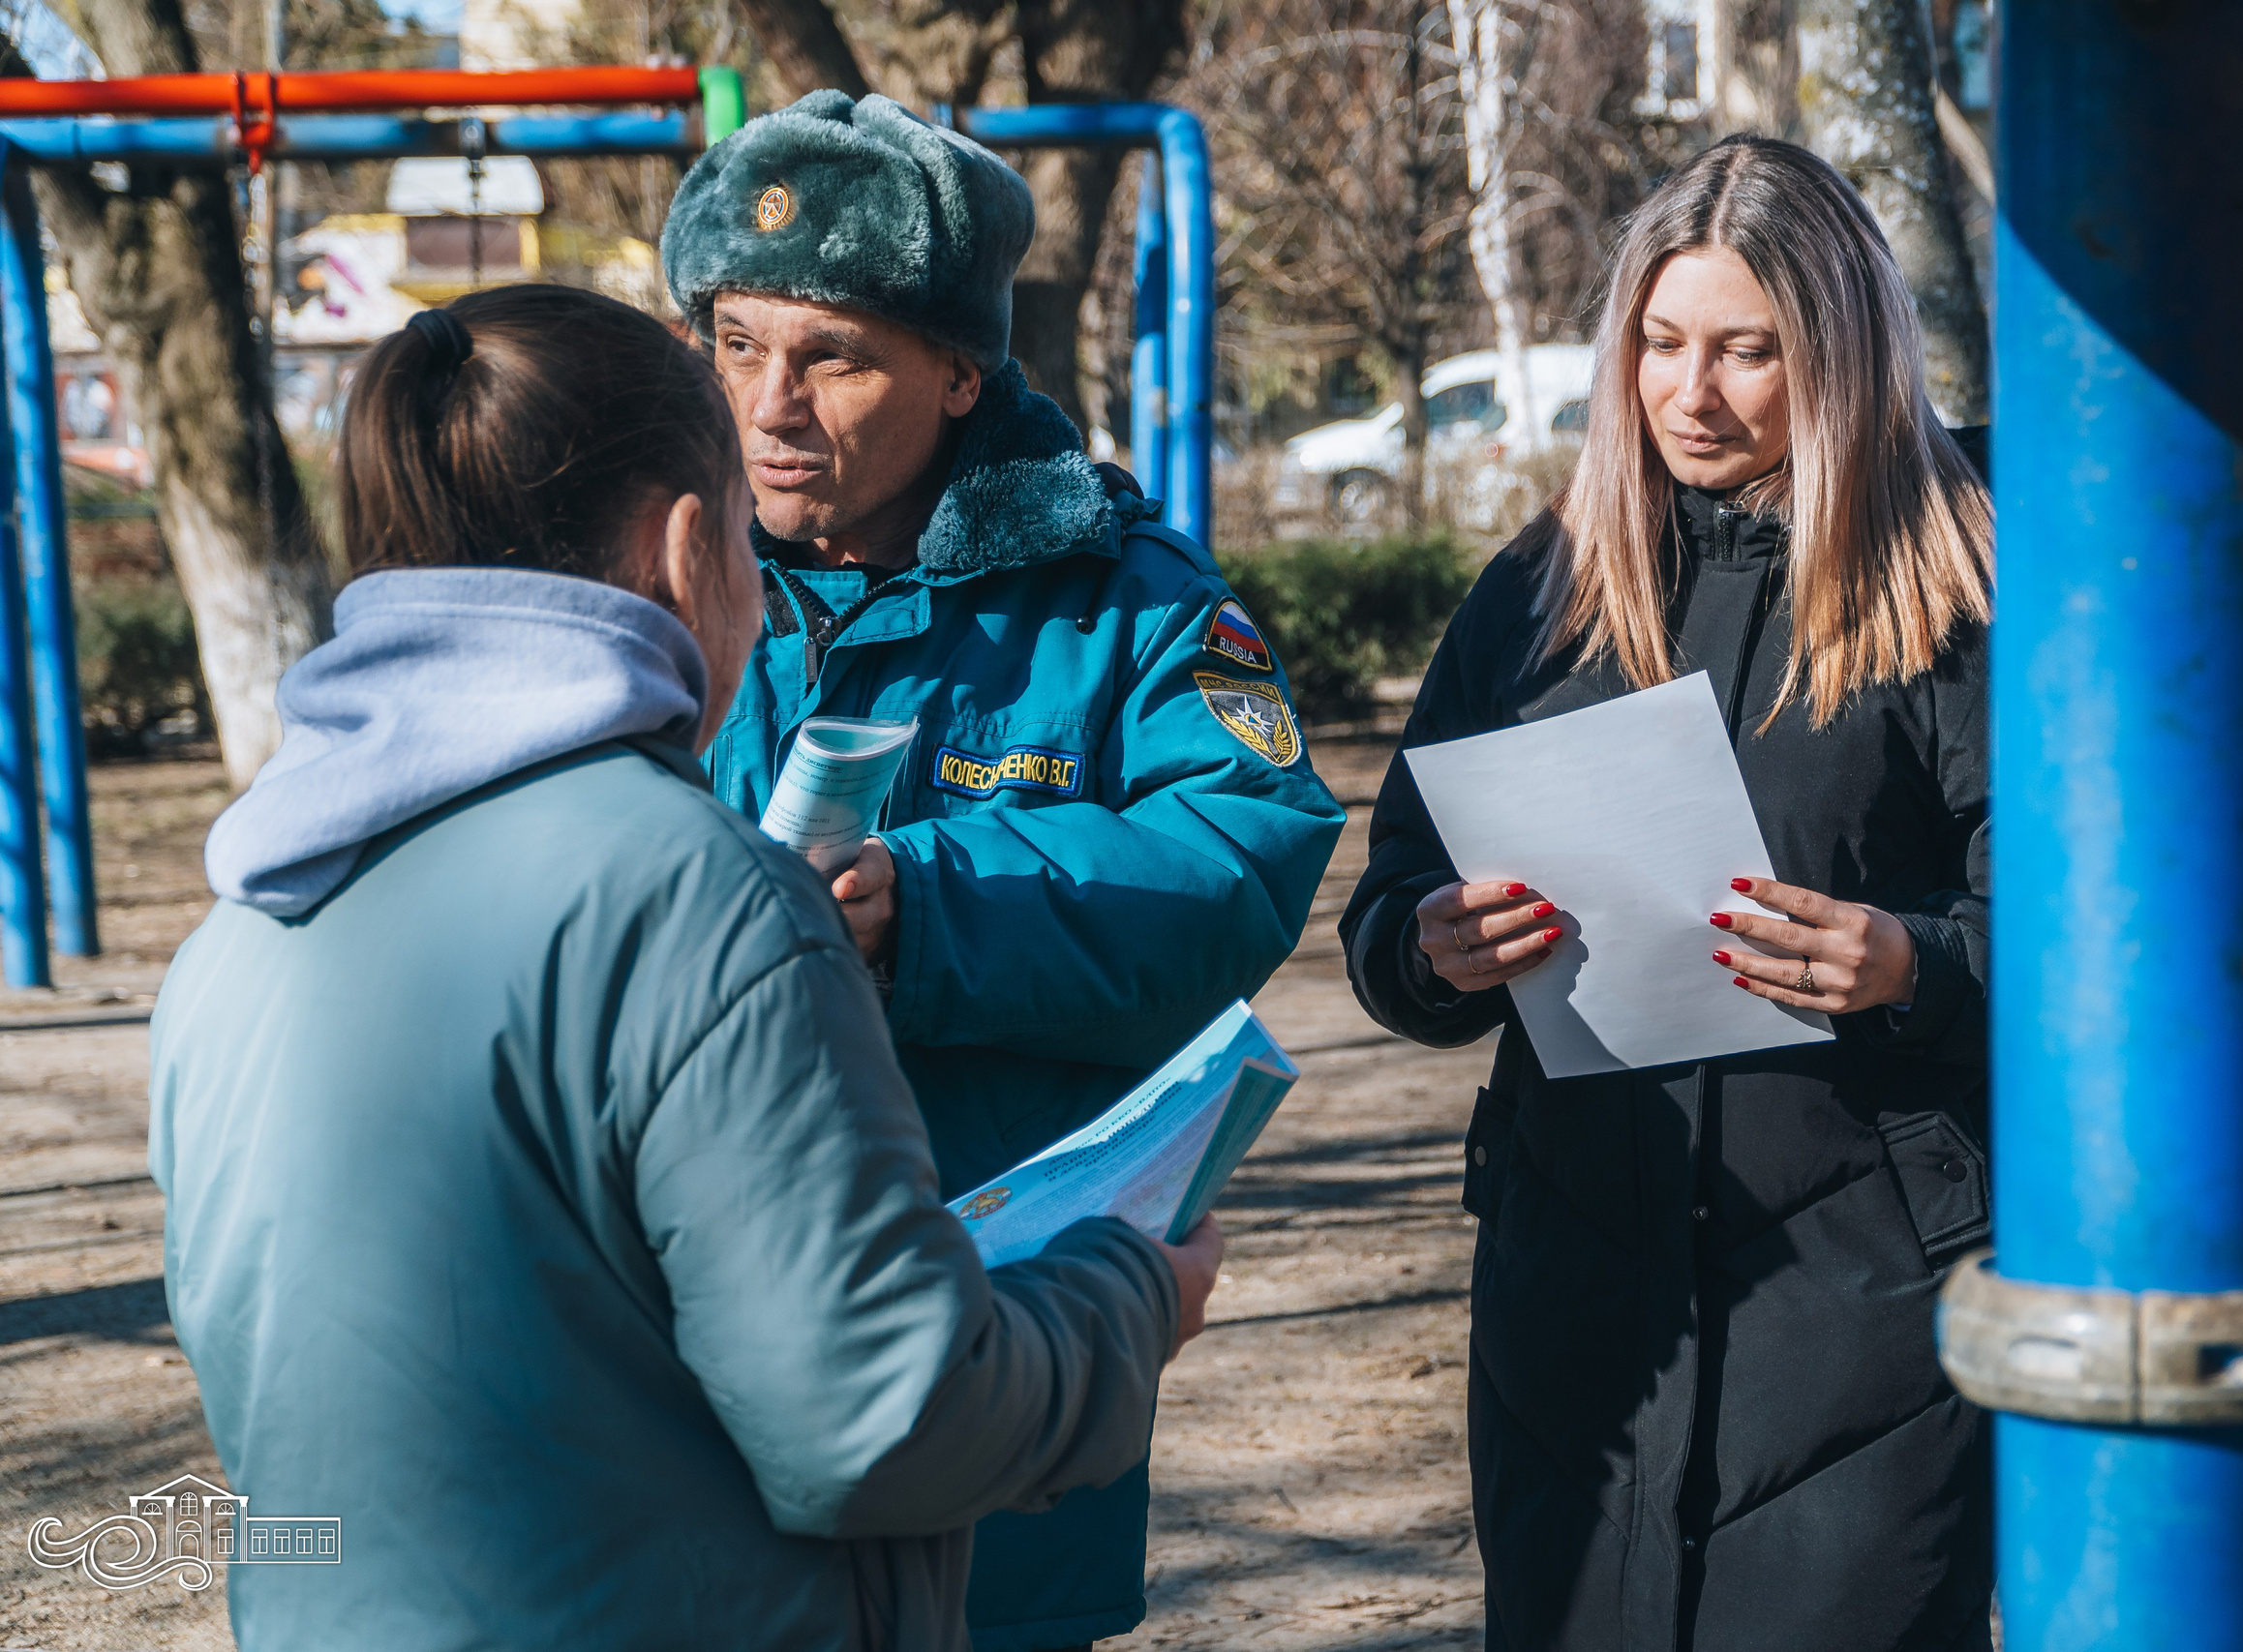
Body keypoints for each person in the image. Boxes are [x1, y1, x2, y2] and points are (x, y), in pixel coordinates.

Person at [155, 285, 1224, 1652]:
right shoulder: (699, 896)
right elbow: (879, 1422)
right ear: (680, 549)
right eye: (738, 536)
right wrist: (1128, 1294)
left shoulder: (238, 919)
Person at [659, 91, 1346, 1652]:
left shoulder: (1127, 596)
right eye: (737, 341)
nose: (771, 403)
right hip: (685, 1307)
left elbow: (1245, 846)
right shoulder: (645, 558)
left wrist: (934, 907)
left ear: (963, 373)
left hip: (993, 1315)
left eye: (832, 356)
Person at [1340, 135, 1994, 1651]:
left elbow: (2090, 952)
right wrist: (1436, 951)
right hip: (1578, 1300)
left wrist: (1913, 965)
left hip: (1867, 1300)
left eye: (1748, 352)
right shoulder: (1542, 585)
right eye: (1661, 342)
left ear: (1839, 353)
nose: (1690, 394)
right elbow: (1389, 911)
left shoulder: (1956, 588)